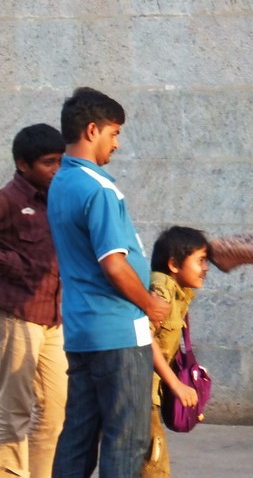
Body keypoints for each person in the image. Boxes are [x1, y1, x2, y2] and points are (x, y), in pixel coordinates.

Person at [47, 87, 170, 477]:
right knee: (125, 439)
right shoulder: (98, 188)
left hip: (83, 329)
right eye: (114, 133)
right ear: (92, 130)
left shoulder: (62, 183)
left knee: (78, 437)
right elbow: (115, 266)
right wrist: (150, 304)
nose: (116, 143)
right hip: (117, 332)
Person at [0, 124, 66, 478]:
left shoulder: (58, 199)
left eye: (60, 161)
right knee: (14, 412)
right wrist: (17, 265)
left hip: (54, 319)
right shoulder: (9, 200)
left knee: (55, 411)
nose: (56, 169)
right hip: (17, 316)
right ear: (23, 165)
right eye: (48, 162)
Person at [142, 226, 210, 478]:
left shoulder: (181, 293)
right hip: (139, 389)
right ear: (173, 264)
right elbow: (142, 338)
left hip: (150, 390)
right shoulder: (161, 290)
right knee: (154, 464)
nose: (206, 268)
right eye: (201, 260)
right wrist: (176, 385)